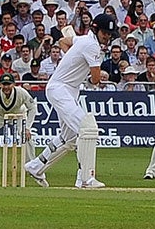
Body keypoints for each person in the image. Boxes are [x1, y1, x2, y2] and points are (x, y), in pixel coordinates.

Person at [29, 18, 109, 189]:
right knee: (87, 129)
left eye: (110, 34)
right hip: (61, 89)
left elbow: (63, 41)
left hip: (67, 90)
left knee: (70, 138)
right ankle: (86, 178)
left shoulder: (82, 39)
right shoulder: (92, 46)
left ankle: (36, 166)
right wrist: (88, 73)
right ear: (96, 30)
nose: (107, 37)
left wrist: (73, 61)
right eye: (105, 33)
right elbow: (95, 80)